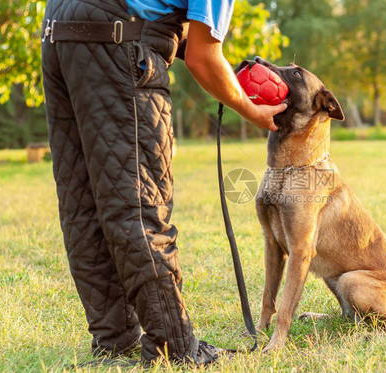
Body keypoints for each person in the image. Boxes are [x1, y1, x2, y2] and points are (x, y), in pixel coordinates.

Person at [41, 0, 286, 366]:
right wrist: (248, 108)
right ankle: (175, 345)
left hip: (59, 29)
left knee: (84, 200)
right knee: (139, 204)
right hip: (118, 37)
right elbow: (204, 57)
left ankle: (114, 338)